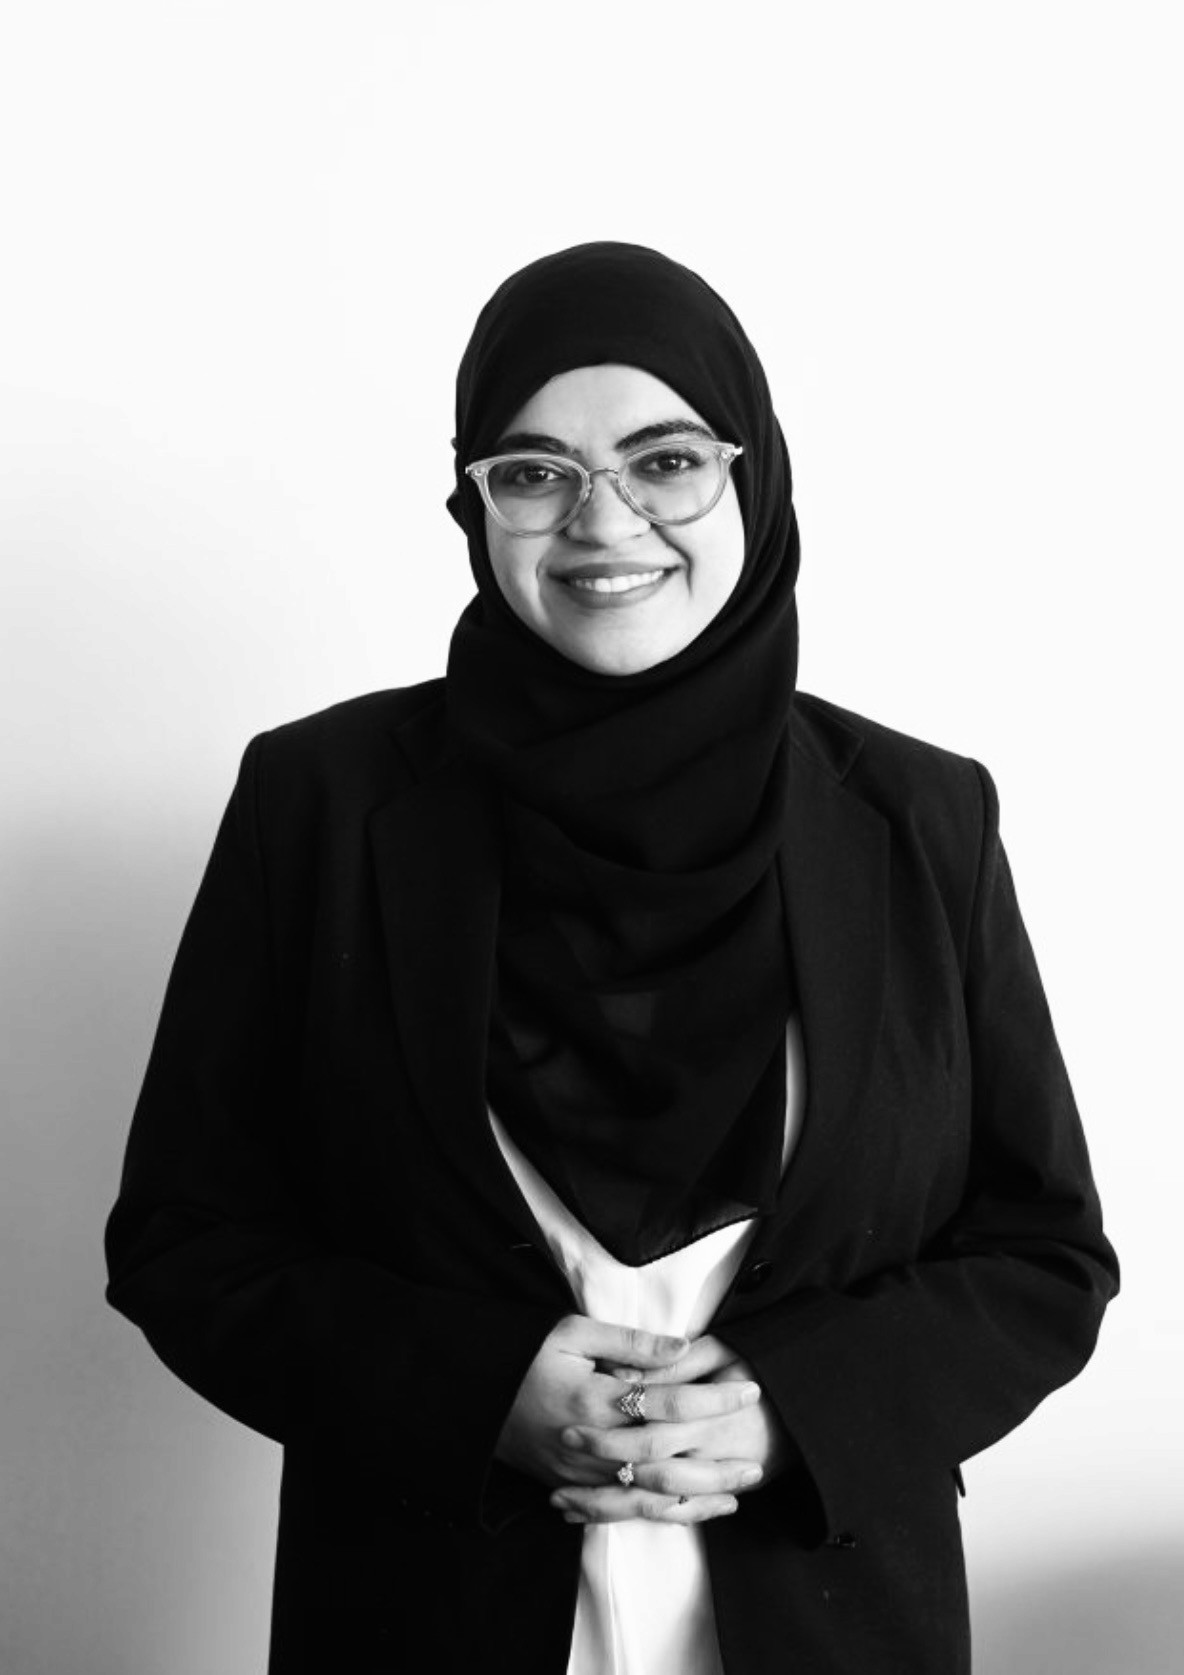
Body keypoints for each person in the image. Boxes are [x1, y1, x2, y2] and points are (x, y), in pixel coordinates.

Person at [104, 242, 1118, 1675]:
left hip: (830, 1620)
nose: (603, 520)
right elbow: (185, 1240)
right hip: (425, 1614)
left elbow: (1043, 1252)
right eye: (535, 472)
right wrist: (477, 1395)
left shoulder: (919, 818)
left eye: (667, 462)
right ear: (473, 503)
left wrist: (802, 1411)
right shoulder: (319, 804)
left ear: (753, 480)